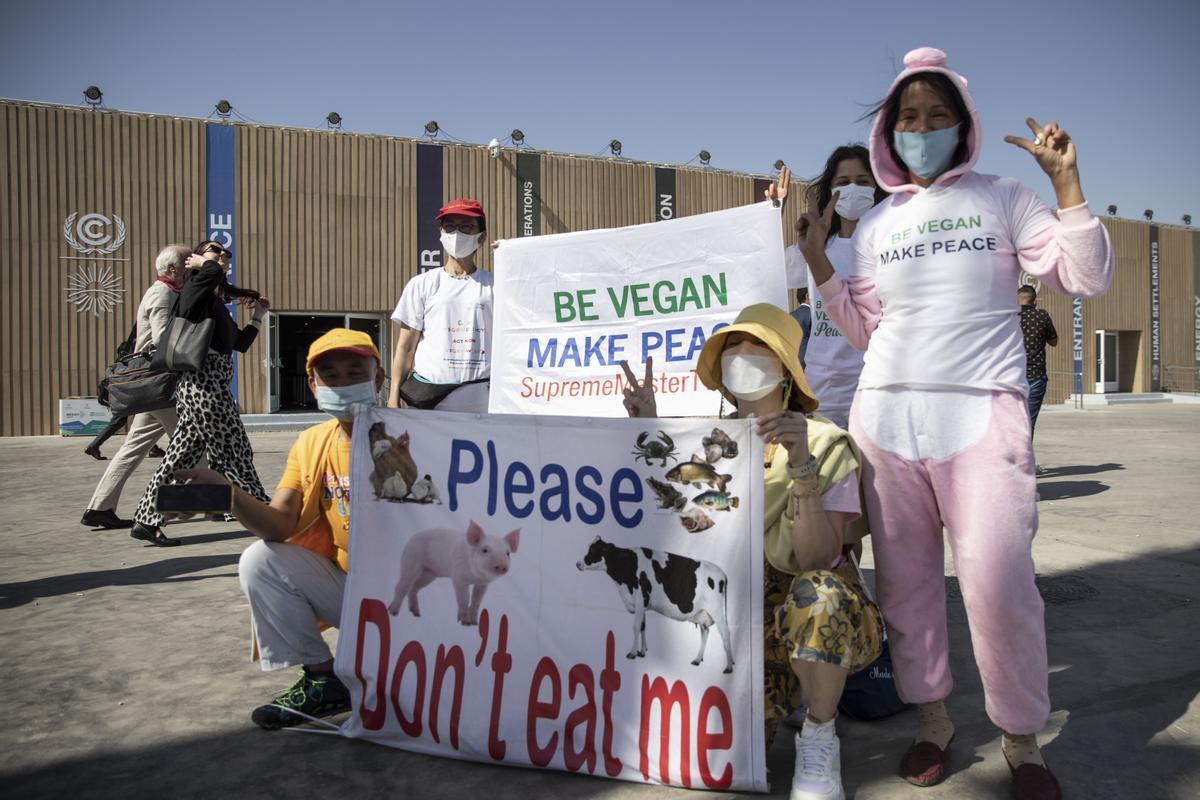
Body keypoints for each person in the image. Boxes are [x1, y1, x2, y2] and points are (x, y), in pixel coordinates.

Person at [787, 47, 1113, 798]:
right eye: (909, 118)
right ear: (888, 133)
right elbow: (865, 330)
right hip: (889, 420)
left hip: (982, 415)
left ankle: (1022, 740)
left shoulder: (1004, 197)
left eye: (938, 117)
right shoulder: (875, 228)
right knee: (905, 588)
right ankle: (933, 723)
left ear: (963, 126)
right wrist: (822, 265)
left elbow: (1085, 275)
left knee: (1000, 587)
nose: (923, 129)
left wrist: (1065, 183)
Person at [620, 303, 883, 800]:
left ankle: (820, 735)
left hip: (811, 614)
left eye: (758, 348)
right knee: (717, 760)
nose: (742, 357)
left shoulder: (827, 444)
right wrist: (649, 425)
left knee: (818, 593)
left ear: (786, 367)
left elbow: (813, 560)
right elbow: (674, 522)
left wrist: (801, 465)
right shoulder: (703, 448)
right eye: (733, 349)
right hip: (738, 630)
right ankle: (775, 703)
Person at [174, 329, 404, 729]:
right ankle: (324, 680)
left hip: (419, 597)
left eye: (356, 371)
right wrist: (229, 495)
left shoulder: (417, 435)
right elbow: (280, 524)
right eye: (330, 376)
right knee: (260, 561)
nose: (344, 382)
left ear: (379, 378)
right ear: (313, 386)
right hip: (354, 594)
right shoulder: (311, 442)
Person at [129, 241, 272, 546]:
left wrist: (258, 315)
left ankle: (146, 517)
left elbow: (238, 343)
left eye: (226, 254)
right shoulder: (195, 291)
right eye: (214, 251)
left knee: (181, 457)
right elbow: (207, 275)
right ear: (196, 261)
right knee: (235, 450)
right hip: (203, 388)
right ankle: (264, 511)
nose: (222, 256)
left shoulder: (214, 301)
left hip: (210, 387)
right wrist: (201, 265)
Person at [80, 245, 190, 529]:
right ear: (172, 270)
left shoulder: (169, 291)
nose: (191, 271)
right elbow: (162, 336)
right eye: (188, 266)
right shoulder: (162, 292)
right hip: (159, 382)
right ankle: (212, 502)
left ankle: (99, 507)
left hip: (154, 387)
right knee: (191, 444)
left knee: (133, 448)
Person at [782, 145, 887, 428]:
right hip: (821, 387)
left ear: (877, 187)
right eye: (842, 183)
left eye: (863, 182)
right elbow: (770, 272)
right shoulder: (817, 246)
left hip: (871, 385)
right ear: (830, 191)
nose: (853, 189)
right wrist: (775, 211)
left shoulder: (887, 244)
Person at [388, 198, 493, 412]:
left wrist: (511, 258)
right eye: (450, 226)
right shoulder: (422, 284)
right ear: (442, 234)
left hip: (482, 402)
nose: (457, 234)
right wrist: (393, 398)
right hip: (429, 402)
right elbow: (406, 347)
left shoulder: (496, 285)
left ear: (481, 238)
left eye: (466, 227)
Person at [1018, 285, 1058, 443]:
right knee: (1028, 421)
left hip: (1011, 376)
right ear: (1034, 302)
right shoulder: (1041, 316)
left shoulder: (1008, 317)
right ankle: (1026, 462)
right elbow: (1054, 341)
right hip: (1035, 375)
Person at [790, 288, 812, 368]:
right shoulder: (813, 315)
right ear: (807, 296)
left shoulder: (791, 315)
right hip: (809, 358)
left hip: (793, 358)